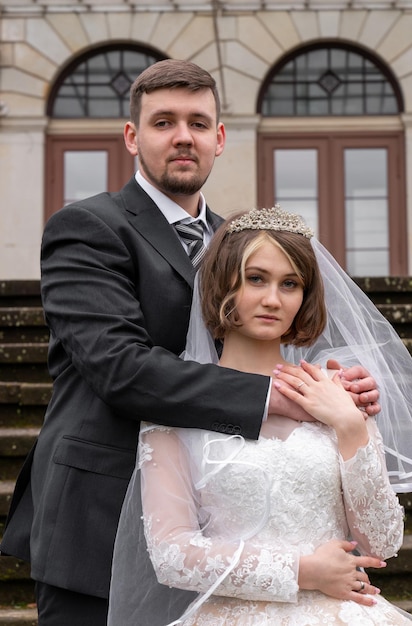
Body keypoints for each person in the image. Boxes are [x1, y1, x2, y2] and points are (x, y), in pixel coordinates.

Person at [0, 60, 385, 625]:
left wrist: (331, 387)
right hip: (98, 521)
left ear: (220, 138)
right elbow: (120, 367)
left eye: (199, 123)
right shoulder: (88, 227)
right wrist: (278, 395)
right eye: (163, 122)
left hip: (236, 532)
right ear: (133, 136)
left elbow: (268, 341)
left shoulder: (244, 241)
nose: (184, 137)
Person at [108, 207, 412, 626]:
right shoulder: (174, 411)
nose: (272, 299)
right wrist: (302, 570)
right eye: (256, 278)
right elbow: (173, 555)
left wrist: (352, 427)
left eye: (290, 284)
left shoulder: (338, 393)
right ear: (221, 282)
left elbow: (383, 541)